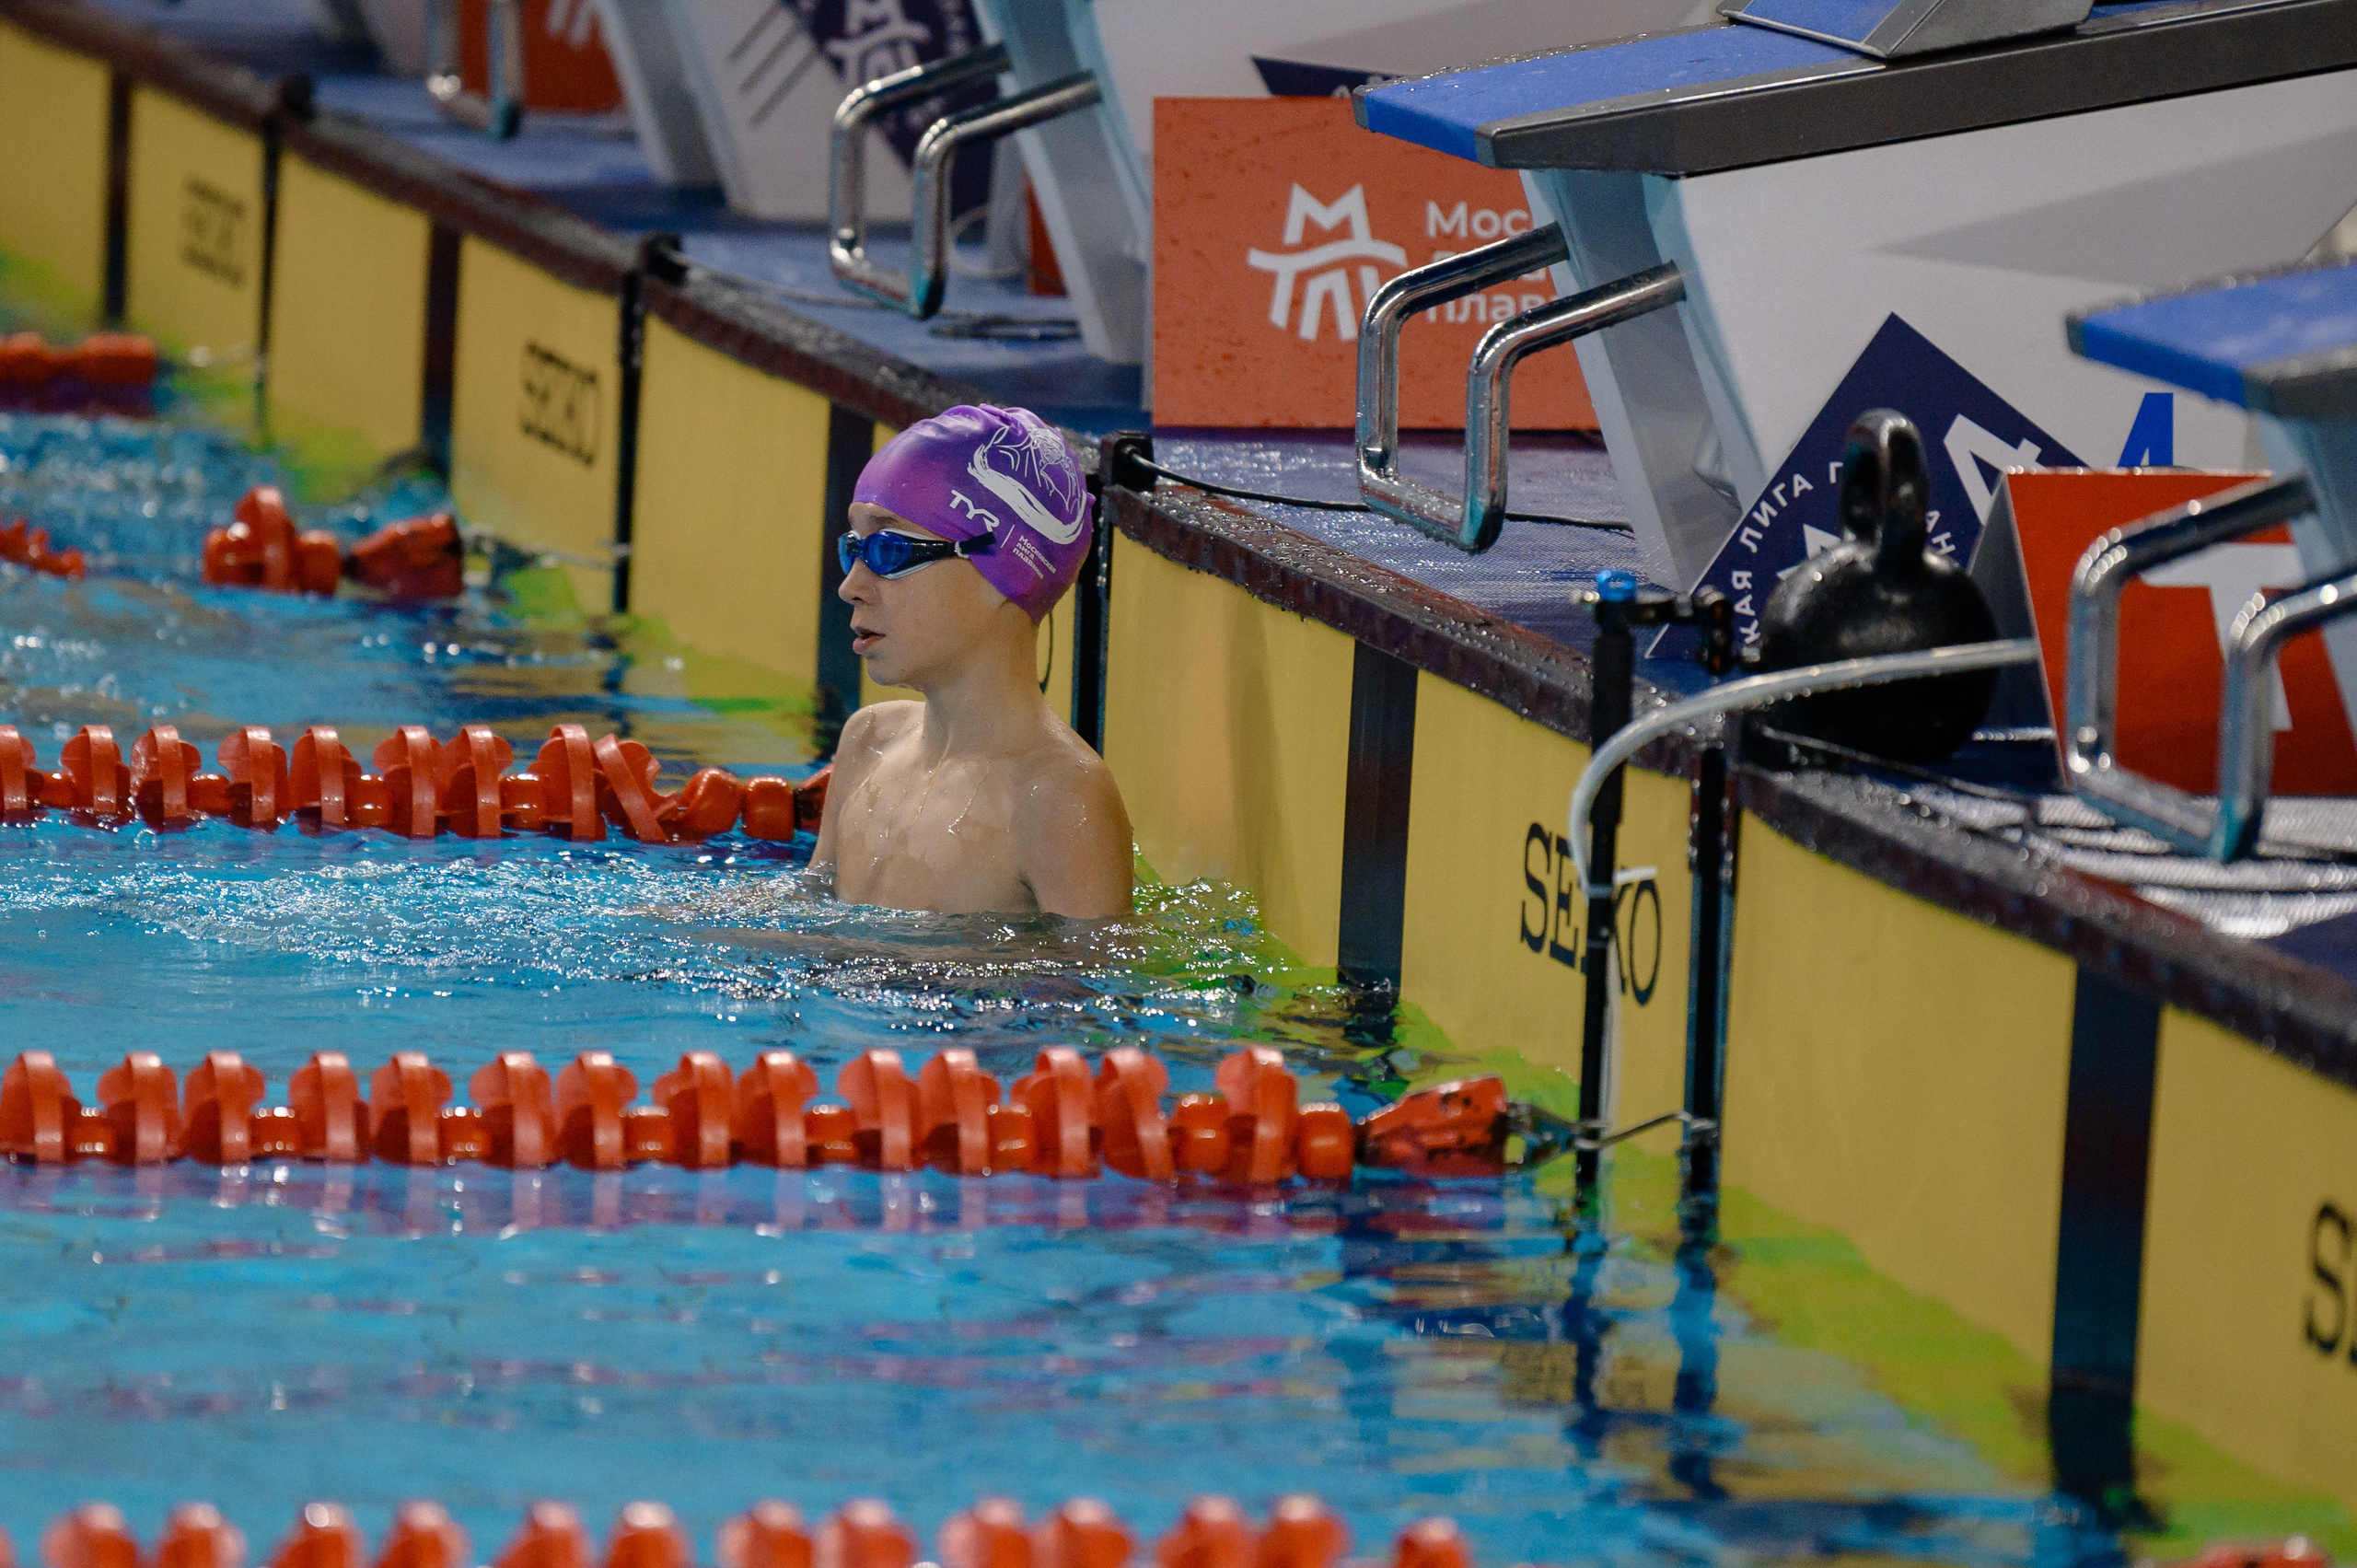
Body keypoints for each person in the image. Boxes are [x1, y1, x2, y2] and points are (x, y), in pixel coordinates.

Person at [812, 404, 1134, 919]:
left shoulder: (1059, 802)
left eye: (890, 551)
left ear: (1004, 574)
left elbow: (1093, 993)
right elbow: (810, 919)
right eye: (854, 548)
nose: (851, 587)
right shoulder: (868, 740)